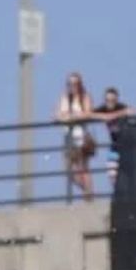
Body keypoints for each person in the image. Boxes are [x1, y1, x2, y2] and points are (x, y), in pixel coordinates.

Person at [55, 71, 97, 201]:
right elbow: (58, 115)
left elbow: (88, 113)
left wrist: (71, 116)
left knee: (83, 167)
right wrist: (67, 117)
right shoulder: (64, 97)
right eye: (70, 84)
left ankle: (88, 196)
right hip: (68, 136)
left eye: (75, 83)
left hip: (81, 136)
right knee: (69, 169)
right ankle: (88, 192)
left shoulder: (85, 97)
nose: (72, 86)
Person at [93, 86, 135, 181]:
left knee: (129, 174)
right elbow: (89, 114)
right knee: (112, 174)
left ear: (116, 100)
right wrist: (104, 116)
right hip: (114, 145)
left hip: (127, 145)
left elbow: (132, 111)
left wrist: (114, 115)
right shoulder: (103, 109)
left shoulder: (121, 107)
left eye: (112, 100)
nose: (110, 103)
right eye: (108, 100)